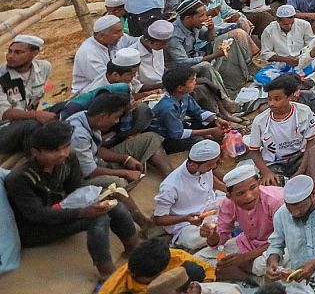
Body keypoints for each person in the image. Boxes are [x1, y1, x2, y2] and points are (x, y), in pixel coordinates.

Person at [5, 120, 139, 277]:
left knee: (113, 204)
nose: (62, 153)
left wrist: (97, 198)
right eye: (54, 150)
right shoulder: (20, 178)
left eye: (66, 146)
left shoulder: (69, 160)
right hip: (35, 228)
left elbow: (74, 190)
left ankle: (134, 248)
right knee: (97, 219)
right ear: (35, 152)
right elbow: (37, 214)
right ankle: (108, 275)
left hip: (60, 209)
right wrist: (82, 212)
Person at [247, 72, 315, 185]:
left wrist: (302, 169)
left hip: (299, 157)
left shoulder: (303, 112)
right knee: (272, 186)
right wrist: (266, 172)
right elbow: (254, 151)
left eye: (277, 99)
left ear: (289, 97)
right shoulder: (260, 121)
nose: (271, 103)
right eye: (269, 99)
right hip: (274, 163)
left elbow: (311, 142)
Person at [211, 164, 282, 281]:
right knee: (205, 257)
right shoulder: (228, 203)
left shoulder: (275, 201)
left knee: (263, 265)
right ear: (230, 196)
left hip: (276, 246)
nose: (249, 197)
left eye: (253, 188)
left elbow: (282, 240)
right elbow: (220, 241)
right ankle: (247, 272)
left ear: (259, 183)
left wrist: (245, 258)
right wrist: (211, 235)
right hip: (248, 243)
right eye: (240, 193)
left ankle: (249, 277)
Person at [152, 137, 223, 251]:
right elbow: (158, 219)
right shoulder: (170, 186)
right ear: (193, 166)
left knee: (241, 204)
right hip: (187, 224)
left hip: (210, 206)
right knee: (198, 237)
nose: (213, 167)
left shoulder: (200, 167)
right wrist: (186, 218)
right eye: (210, 165)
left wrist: (227, 189)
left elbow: (210, 179)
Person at [0, 34, 54, 153]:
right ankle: (33, 161)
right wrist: (35, 115)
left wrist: (34, 114)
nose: (10, 56)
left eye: (18, 53)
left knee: (60, 111)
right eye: (10, 51)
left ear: (34, 53)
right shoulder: (2, 77)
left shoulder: (44, 68)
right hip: (4, 128)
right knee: (33, 125)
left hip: (25, 120)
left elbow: (34, 100)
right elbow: (5, 114)